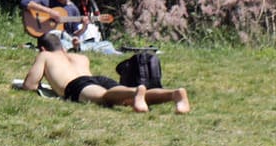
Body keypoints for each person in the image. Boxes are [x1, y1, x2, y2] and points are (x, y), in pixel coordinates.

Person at [19, 32, 191, 113]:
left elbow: (30, 85)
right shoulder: (80, 57)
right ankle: (174, 95)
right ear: (62, 46)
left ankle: (135, 91)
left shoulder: (45, 55)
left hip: (77, 85)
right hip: (95, 79)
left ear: (42, 48)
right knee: (124, 99)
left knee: (105, 97)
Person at [20, 0, 86, 45]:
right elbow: (24, 2)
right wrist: (50, 12)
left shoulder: (73, 9)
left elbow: (75, 35)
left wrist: (84, 27)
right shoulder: (47, 0)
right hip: (47, 38)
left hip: (65, 41)